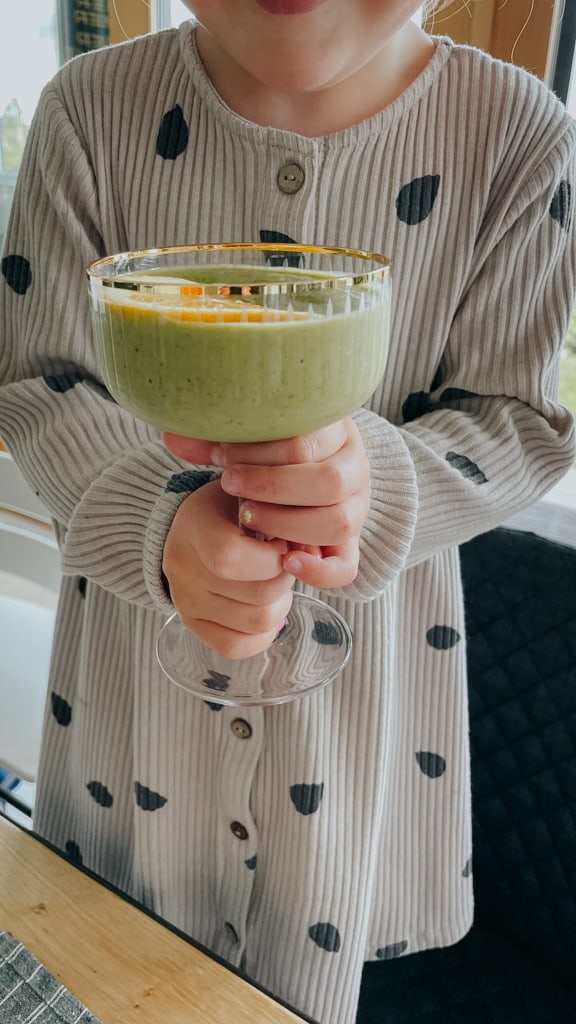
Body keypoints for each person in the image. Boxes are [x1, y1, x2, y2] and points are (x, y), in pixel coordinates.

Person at [1, 2, 575, 1020]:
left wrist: (378, 483)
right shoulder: (87, 115)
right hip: (136, 703)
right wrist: (160, 522)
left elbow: (519, 417)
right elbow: (38, 381)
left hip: (362, 717)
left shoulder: (517, 136)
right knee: (116, 964)